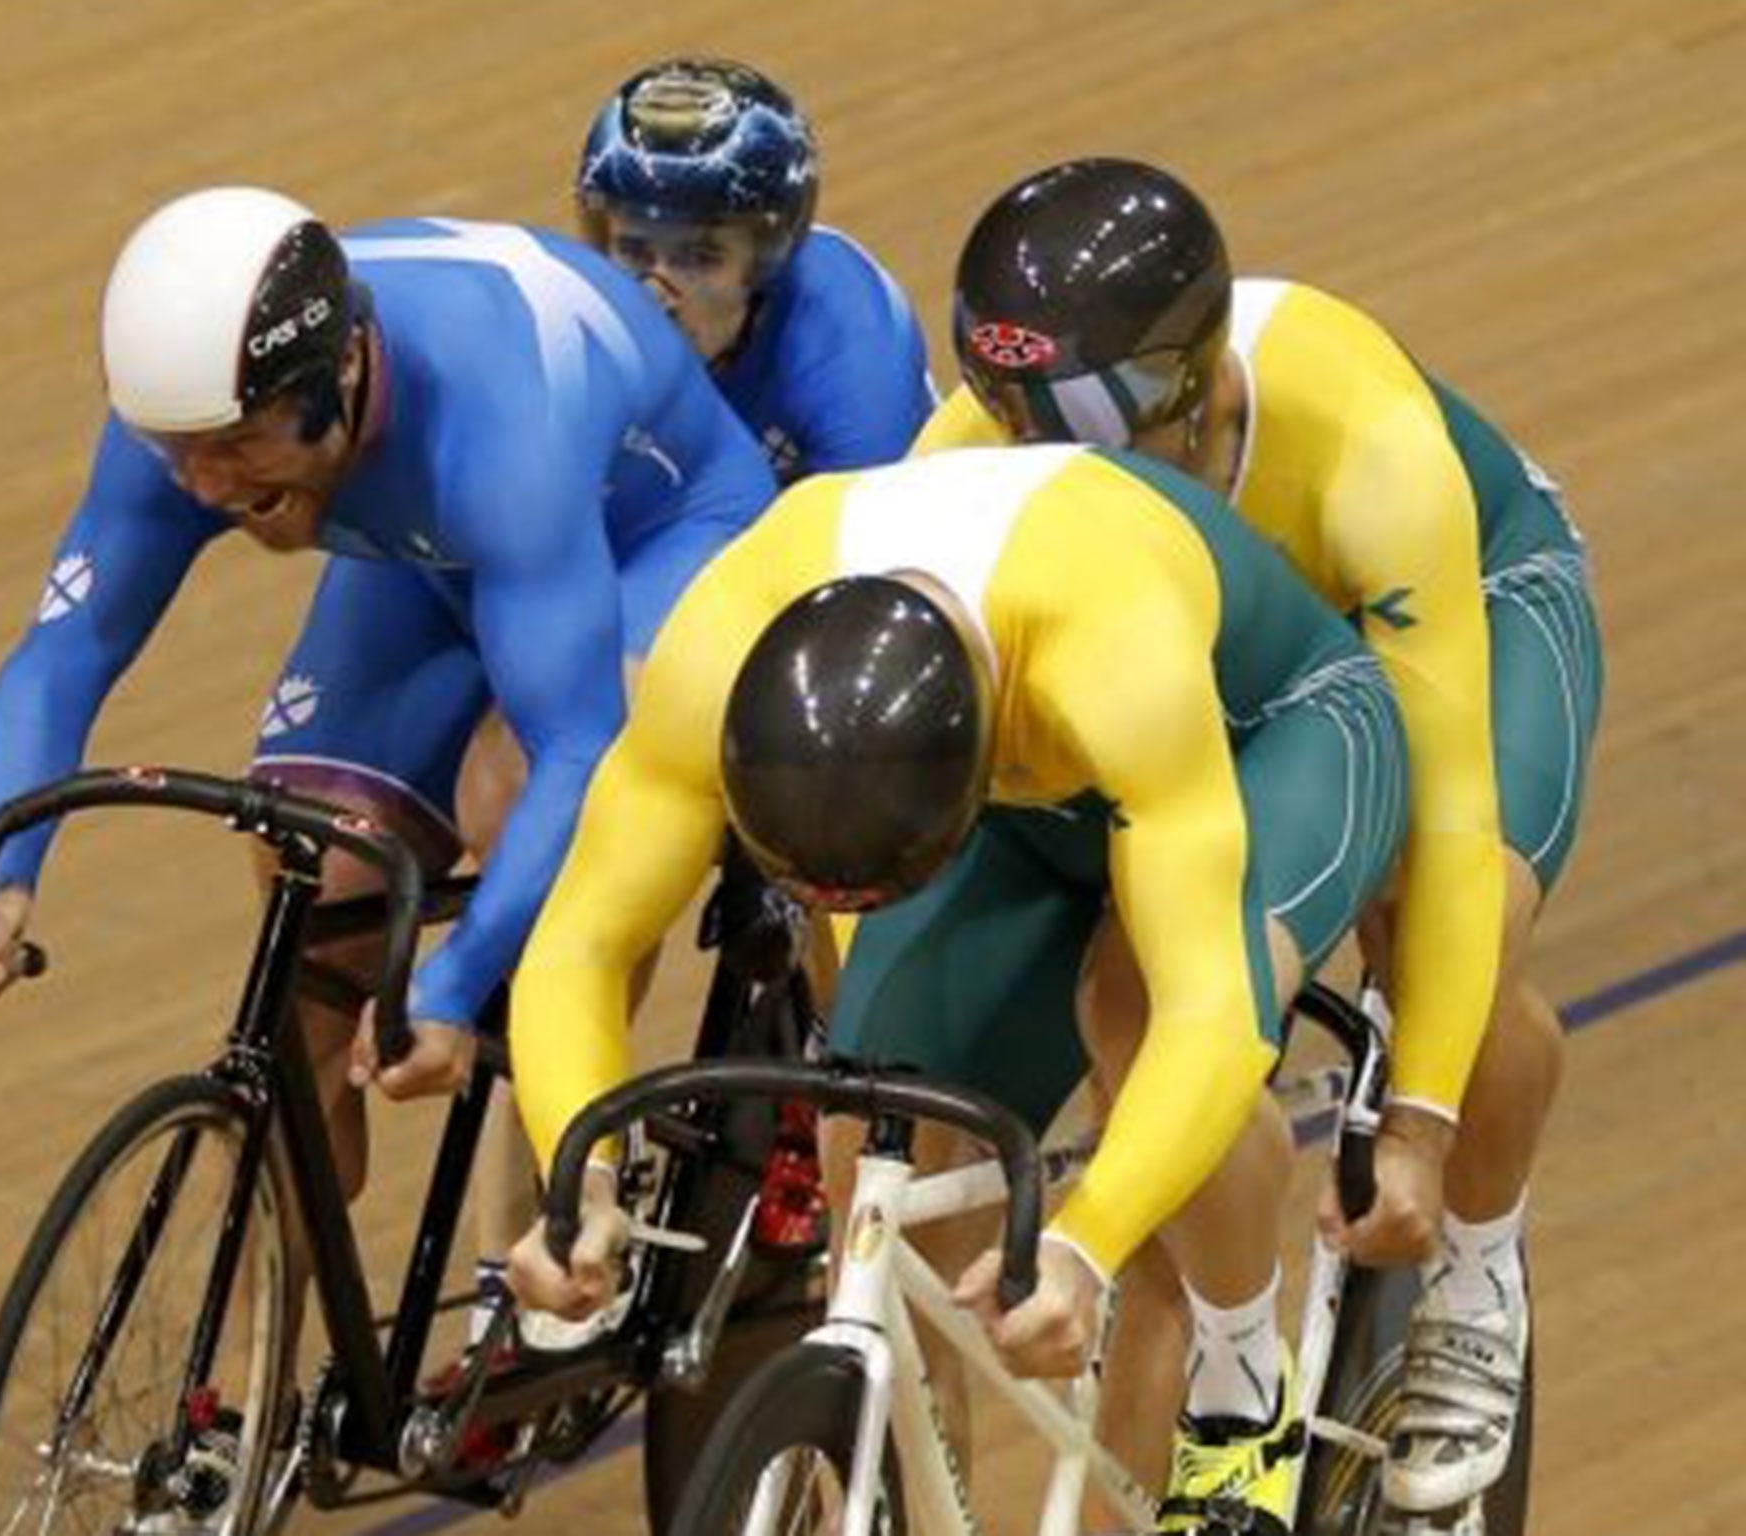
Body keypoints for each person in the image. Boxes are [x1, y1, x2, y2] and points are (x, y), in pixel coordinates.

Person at [503, 443, 1409, 1536]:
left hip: (1267, 737)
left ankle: (1240, 1385)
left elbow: (1206, 1020)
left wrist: (1086, 1239)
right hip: (1015, 796)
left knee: (1134, 1010)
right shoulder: (723, 647)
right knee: (870, 1122)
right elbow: (578, 949)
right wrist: (581, 1175)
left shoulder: (1107, 650)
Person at [0, 187, 779, 1313]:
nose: (206, 489)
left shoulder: (496, 428)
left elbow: (577, 747)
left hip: (652, 536)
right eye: (178, 454)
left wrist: (454, 983)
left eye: (234, 450)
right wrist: (2, 873)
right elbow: (62, 651)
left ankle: (571, 1192)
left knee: (511, 794)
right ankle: (265, 1384)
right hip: (422, 545)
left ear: (339, 378)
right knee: (309, 872)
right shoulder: (191, 418)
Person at [930, 157, 1605, 1516]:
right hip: (1243, 663)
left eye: (1077, 426)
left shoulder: (1365, 444)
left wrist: (1416, 1124)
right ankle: (1225, 1392)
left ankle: (1477, 1267)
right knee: (1142, 998)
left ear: (1191, 393)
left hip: (1461, 601)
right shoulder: (977, 453)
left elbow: (1458, 807)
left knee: (1438, 936)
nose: (1038, 454)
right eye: (1019, 424)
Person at [576, 56, 934, 483]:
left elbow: (880, 541)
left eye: (699, 257)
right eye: (633, 250)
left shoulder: (850, 361)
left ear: (767, 260)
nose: (657, 295)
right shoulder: (575, 321)